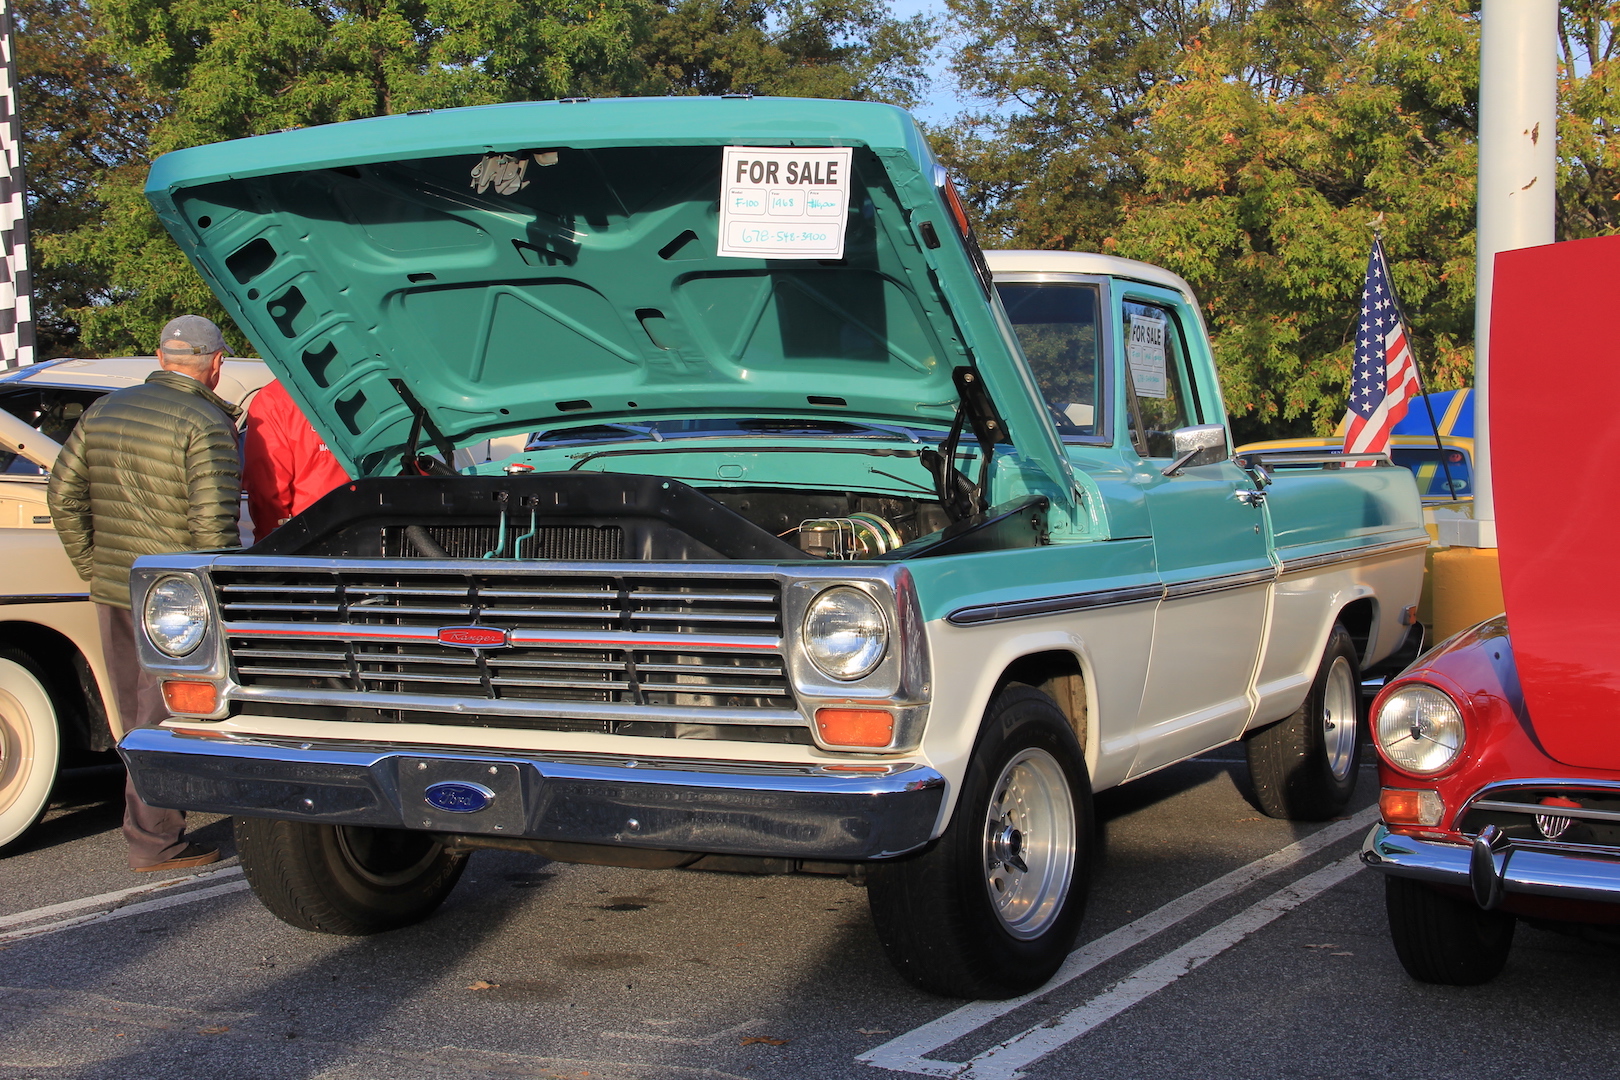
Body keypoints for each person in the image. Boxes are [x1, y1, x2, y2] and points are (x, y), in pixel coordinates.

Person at [48, 316, 243, 872]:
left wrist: (97, 567)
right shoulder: (205, 422)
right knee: (172, 714)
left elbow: (63, 496)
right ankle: (156, 842)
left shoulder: (103, 410)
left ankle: (149, 833)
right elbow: (213, 527)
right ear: (217, 363)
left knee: (137, 712)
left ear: (161, 357)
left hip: (116, 589)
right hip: (178, 603)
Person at [242, 379, 349, 535]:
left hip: (305, 537)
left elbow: (268, 487)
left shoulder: (276, 397)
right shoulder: (375, 391)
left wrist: (272, 542)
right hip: (369, 534)